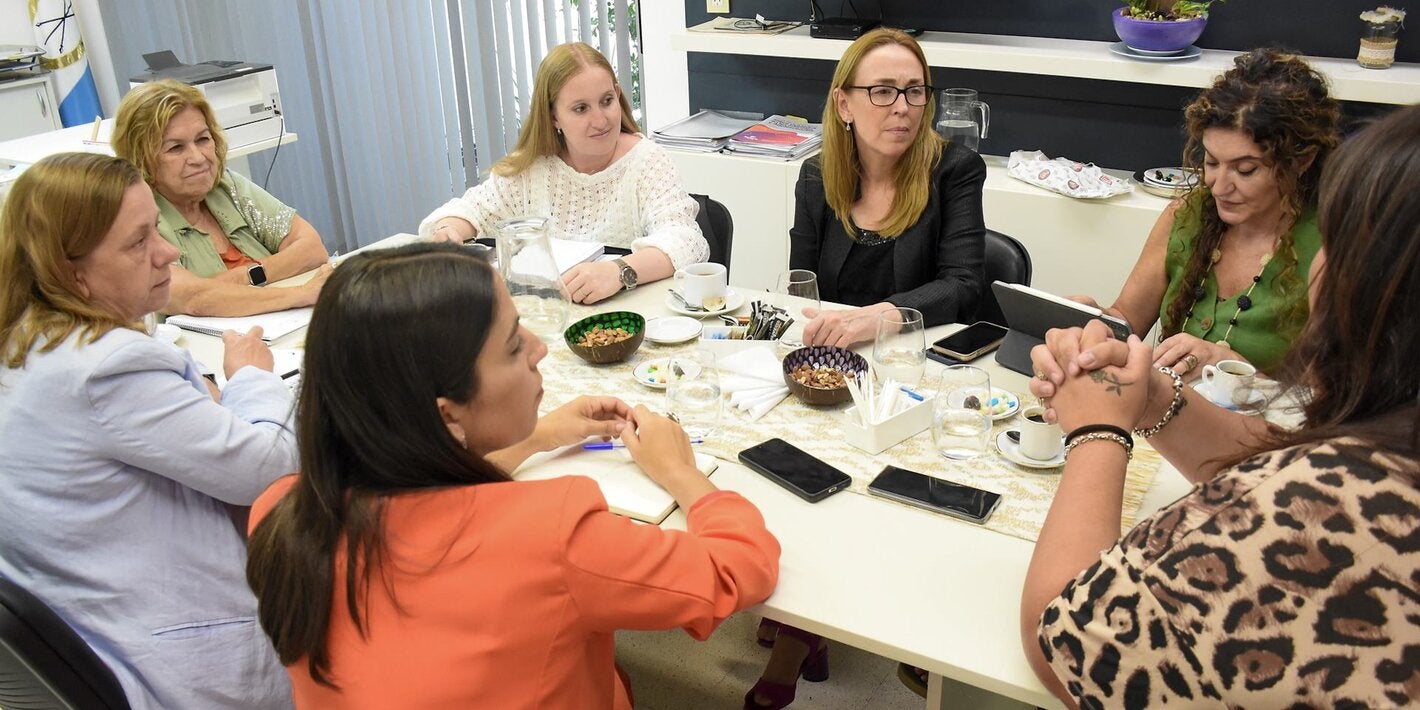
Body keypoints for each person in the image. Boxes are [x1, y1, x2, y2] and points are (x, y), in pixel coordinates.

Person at [245, 242, 779, 709]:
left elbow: (423, 499)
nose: (540, 347)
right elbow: (740, 568)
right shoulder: (553, 533)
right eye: (512, 344)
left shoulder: (282, 511)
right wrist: (680, 472)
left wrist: (537, 437)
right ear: (447, 413)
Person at [1020, 104, 1420, 707]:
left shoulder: (1351, 496)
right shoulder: (1375, 456)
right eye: (1211, 163)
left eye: (1334, 244)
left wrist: (1098, 432)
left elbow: (1070, 642)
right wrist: (1153, 396)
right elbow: (1271, 472)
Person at [0, 153, 299, 708]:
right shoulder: (105, 367)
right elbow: (269, 468)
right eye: (139, 242)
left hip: (97, 629)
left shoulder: (27, 344)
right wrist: (253, 378)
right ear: (72, 271)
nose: (167, 252)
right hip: (182, 665)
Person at [1073, 48, 1339, 375]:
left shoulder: (1330, 245)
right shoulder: (1187, 216)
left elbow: (1330, 395)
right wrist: (1096, 322)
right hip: (1166, 415)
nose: (1218, 186)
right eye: (1211, 162)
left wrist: (1236, 370)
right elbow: (1127, 320)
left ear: (1301, 161)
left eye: (1245, 170)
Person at [420, 42, 708, 305]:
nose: (600, 120)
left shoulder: (647, 160)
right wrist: (450, 230)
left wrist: (619, 272)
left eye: (607, 101)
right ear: (554, 116)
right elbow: (473, 209)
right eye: (581, 108)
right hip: (550, 315)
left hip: (625, 319)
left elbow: (686, 242)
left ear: (618, 96)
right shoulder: (533, 165)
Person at [789, 27, 986, 349]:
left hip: (916, 354)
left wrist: (884, 316)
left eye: (915, 91)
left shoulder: (955, 170)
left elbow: (963, 285)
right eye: (882, 91)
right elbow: (802, 285)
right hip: (837, 354)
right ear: (844, 105)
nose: (903, 107)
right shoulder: (817, 175)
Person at [112, 78, 333, 317]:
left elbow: (312, 249)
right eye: (175, 148)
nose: (198, 157)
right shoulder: (137, 219)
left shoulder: (227, 185)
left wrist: (242, 277)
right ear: (141, 157)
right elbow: (192, 298)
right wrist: (300, 293)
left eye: (203, 139)